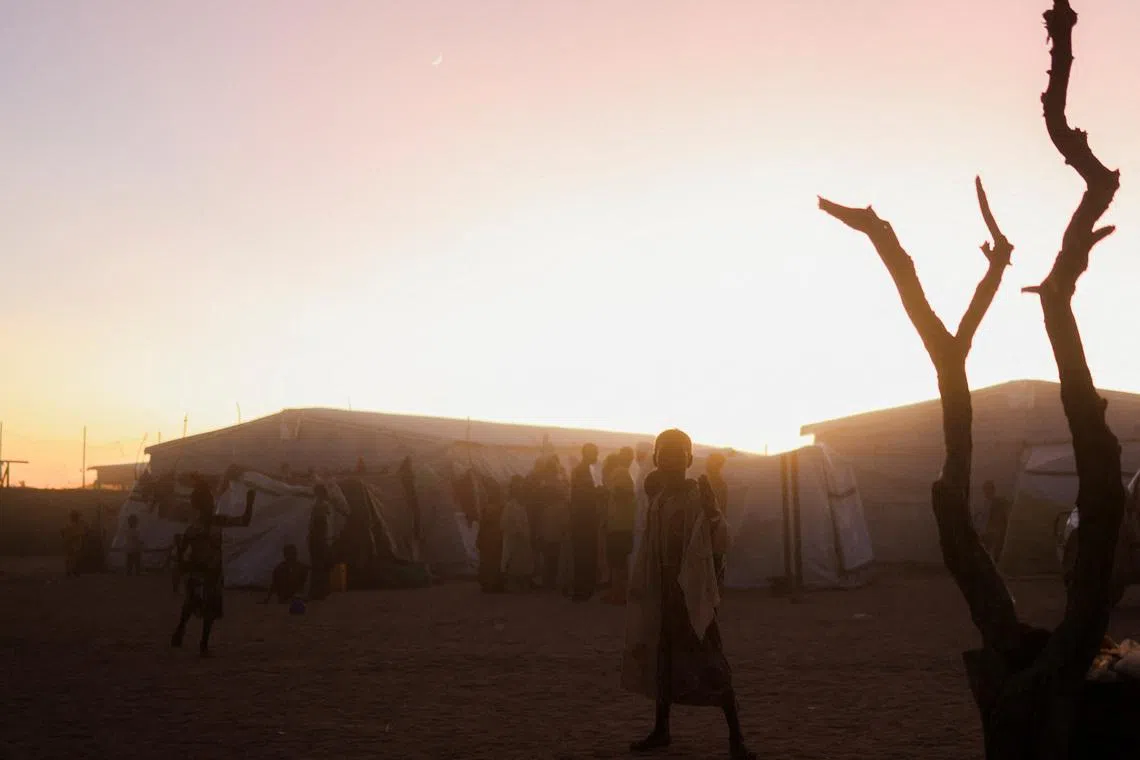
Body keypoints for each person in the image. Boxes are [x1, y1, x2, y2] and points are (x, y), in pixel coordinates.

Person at [622, 429, 755, 759]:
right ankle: (661, 729)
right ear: (655, 459)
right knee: (662, 663)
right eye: (664, 453)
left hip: (691, 598)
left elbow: (720, 539)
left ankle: (736, 739)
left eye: (676, 453)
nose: (669, 459)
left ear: (689, 459)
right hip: (665, 598)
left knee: (711, 663)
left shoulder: (698, 496)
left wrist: (712, 512)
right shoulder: (660, 500)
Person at [172, 479, 255, 656]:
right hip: (210, 571)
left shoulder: (193, 527)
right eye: (210, 501)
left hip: (197, 570)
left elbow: (182, 549)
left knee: (191, 603)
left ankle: (180, 631)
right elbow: (245, 520)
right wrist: (250, 501)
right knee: (208, 608)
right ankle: (202, 644)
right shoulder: (215, 522)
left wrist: (182, 567)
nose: (212, 503)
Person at [570, 443, 601, 602]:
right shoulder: (581, 471)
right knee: (583, 555)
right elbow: (582, 496)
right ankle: (581, 590)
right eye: (595, 453)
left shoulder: (585, 471)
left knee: (585, 555)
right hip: (583, 519)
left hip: (584, 518)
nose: (597, 456)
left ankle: (583, 589)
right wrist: (598, 493)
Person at [501, 475, 535, 592]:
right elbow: (504, 523)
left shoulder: (522, 505)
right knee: (513, 561)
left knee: (523, 561)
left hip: (523, 538)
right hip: (514, 538)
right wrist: (516, 531)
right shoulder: (510, 506)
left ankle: (522, 584)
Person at [476, 474, 506, 593]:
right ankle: (493, 584)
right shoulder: (500, 507)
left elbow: (482, 525)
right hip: (495, 539)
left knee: (488, 562)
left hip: (489, 539)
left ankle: (488, 584)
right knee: (493, 562)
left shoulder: (489, 508)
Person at [705, 452, 729, 588]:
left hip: (713, 527)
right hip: (715, 526)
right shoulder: (716, 482)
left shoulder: (716, 483)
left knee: (714, 561)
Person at [979, 480, 1012, 563]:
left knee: (995, 554)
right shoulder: (983, 503)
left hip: (995, 533)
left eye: (988, 489)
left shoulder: (999, 502)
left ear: (993, 490)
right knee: (985, 553)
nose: (986, 492)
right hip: (986, 532)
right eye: (985, 490)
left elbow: (1005, 515)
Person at [61, 511, 86, 576]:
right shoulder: (75, 525)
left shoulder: (68, 525)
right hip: (74, 543)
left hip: (71, 543)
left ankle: (70, 571)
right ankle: (73, 571)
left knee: (70, 558)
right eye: (77, 516)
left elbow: (62, 532)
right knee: (74, 558)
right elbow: (81, 534)